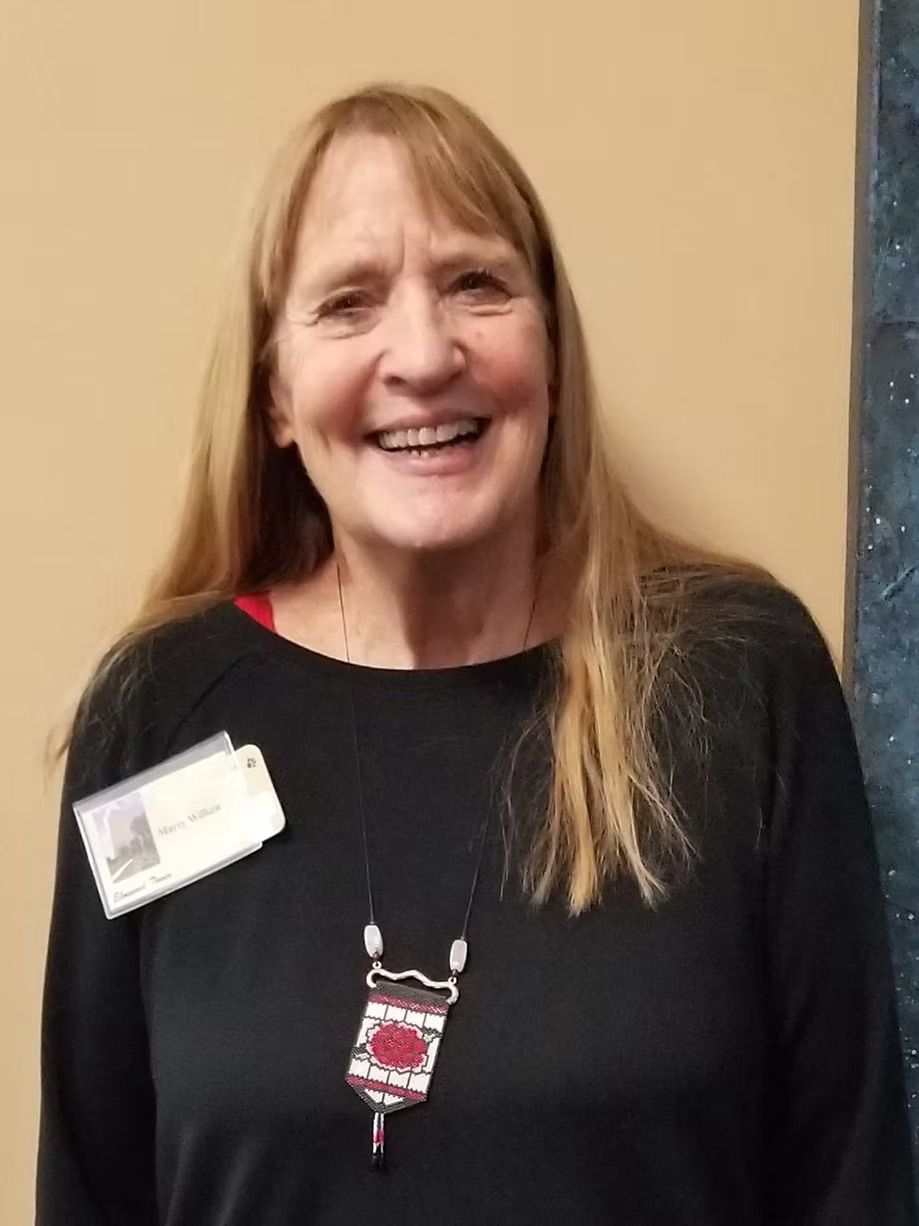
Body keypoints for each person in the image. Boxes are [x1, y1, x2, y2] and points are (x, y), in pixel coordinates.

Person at [37, 82, 916, 1225]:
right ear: (274, 396)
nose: (423, 351)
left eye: (476, 283)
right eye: (349, 304)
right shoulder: (155, 708)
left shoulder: (735, 679)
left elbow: (853, 1179)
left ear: (551, 349)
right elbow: (89, 1182)